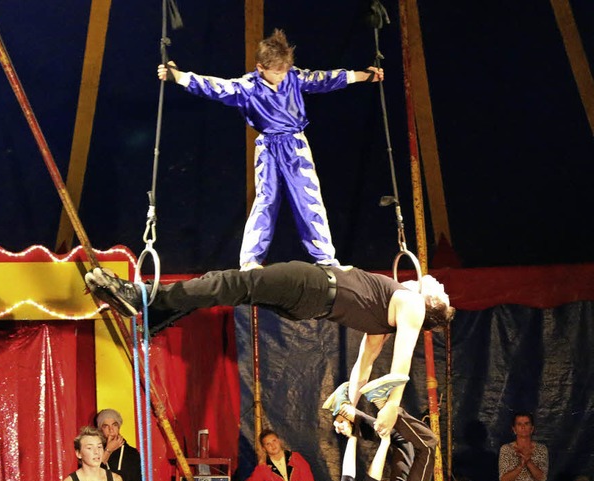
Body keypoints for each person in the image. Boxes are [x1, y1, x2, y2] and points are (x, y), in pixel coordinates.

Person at [85, 263, 454, 438]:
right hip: (310, 304)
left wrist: (389, 408)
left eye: (441, 291)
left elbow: (401, 366)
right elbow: (362, 367)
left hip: (313, 286)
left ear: (430, 304)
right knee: (236, 289)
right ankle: (158, 316)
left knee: (232, 282)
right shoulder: (386, 321)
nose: (438, 281)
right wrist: (350, 410)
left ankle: (145, 297)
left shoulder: (412, 305)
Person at [158, 29, 384, 270]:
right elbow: (216, 87)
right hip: (268, 147)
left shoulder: (293, 77)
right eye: (276, 72)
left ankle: (326, 259)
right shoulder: (248, 86)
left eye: (284, 70)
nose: (281, 76)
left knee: (309, 199)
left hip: (295, 146)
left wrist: (365, 76)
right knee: (266, 199)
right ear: (260, 68)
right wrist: (178, 77)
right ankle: (250, 261)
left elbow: (324, 79)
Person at [303, 378, 437, 481]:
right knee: (405, 442)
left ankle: (379, 404)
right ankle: (351, 410)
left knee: (427, 445)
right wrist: (353, 434)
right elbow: (348, 477)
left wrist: (380, 443)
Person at [234, 428, 316, 481]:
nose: (273, 445)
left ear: (279, 441)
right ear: (264, 448)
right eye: (268, 444)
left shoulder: (295, 458)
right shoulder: (263, 468)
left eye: (274, 441)